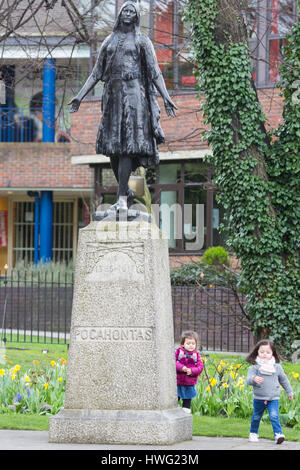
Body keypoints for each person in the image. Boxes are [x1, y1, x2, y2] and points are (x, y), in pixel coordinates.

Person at [68, 1, 177, 212]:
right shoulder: (109, 41)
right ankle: (124, 190)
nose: (127, 14)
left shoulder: (142, 41)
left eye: (131, 11)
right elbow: (96, 73)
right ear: (120, 15)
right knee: (112, 147)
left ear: (136, 16)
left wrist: (166, 97)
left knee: (127, 144)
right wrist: (80, 96)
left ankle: (122, 199)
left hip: (134, 95)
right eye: (125, 10)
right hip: (113, 96)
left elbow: (155, 72)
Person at [246, 339, 293, 444]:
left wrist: (289, 392)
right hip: (259, 397)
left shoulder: (277, 367)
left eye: (268, 352)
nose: (264, 354)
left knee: (274, 416)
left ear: (273, 353)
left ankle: (278, 434)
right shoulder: (255, 368)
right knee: (256, 416)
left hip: (273, 398)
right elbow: (248, 379)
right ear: (257, 352)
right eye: (262, 352)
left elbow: (284, 380)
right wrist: (254, 379)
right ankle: (253, 433)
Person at [175, 330, 203, 414]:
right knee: (175, 398)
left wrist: (192, 371)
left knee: (187, 399)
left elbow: (200, 367)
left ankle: (185, 413)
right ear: (182, 344)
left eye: (193, 343)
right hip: (178, 381)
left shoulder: (196, 355)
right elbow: (173, 362)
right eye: (188, 343)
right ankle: (173, 412)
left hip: (189, 382)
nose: (191, 345)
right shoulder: (178, 352)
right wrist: (182, 368)